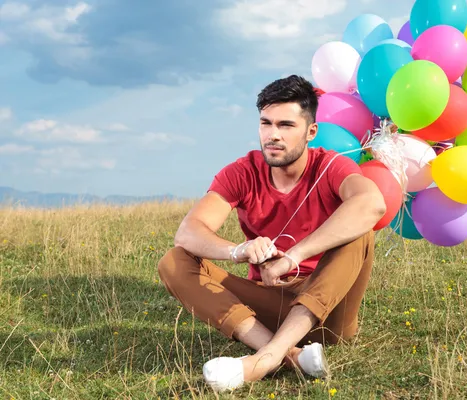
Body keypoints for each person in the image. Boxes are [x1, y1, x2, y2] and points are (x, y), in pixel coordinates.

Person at [157, 74, 386, 392]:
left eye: (286, 125)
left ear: (311, 132)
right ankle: (286, 354)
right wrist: (240, 250)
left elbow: (372, 204)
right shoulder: (243, 172)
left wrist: (293, 257)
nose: (273, 135)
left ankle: (263, 361)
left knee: (361, 231)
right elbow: (188, 232)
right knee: (174, 261)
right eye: (266, 123)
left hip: (328, 314)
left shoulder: (329, 166)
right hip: (269, 306)